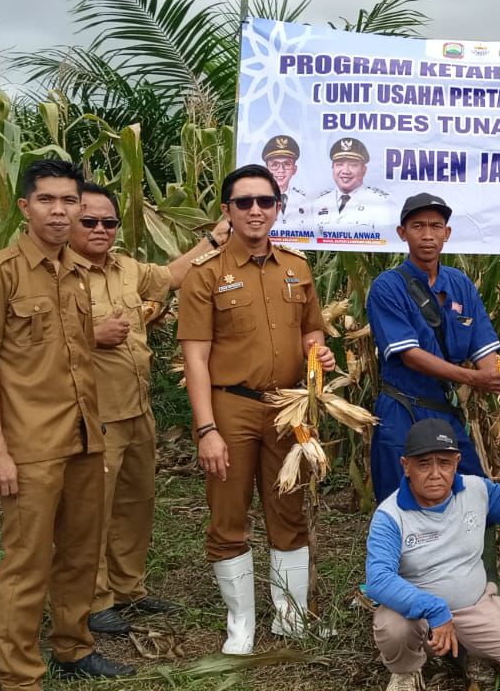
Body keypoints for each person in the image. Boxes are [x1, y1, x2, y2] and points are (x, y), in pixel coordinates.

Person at [0, 159, 135, 687]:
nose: (61, 212)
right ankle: (19, 675)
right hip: (31, 444)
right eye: (48, 201)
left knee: (83, 552)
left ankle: (74, 645)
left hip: (86, 435)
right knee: (27, 564)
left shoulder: (76, 274)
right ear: (25, 207)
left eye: (70, 202)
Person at [177, 164, 335, 654]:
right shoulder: (206, 275)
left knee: (287, 510)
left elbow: (311, 330)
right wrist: (206, 429)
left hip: (288, 408)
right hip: (232, 406)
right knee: (228, 515)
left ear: (277, 208)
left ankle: (289, 620)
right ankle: (240, 624)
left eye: (265, 202)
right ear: (227, 211)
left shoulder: (297, 267)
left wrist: (319, 353)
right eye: (243, 202)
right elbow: (195, 359)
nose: (255, 210)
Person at [70, 182, 228, 635]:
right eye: (90, 221)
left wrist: (214, 240)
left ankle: (128, 589)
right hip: (93, 414)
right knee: (93, 510)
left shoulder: (125, 269)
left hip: (137, 409)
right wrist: (90, 335)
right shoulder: (61, 273)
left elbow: (171, 275)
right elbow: (30, 342)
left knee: (135, 503)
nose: (100, 229)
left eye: (109, 222)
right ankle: (94, 600)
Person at [366, 419, 500, 691]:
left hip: (475, 606)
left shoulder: (477, 490)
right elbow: (378, 580)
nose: (435, 473)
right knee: (393, 627)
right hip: (418, 617)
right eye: (424, 464)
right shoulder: (390, 515)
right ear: (406, 466)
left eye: (444, 463)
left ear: (456, 462)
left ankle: (471, 649)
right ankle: (406, 670)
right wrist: (435, 609)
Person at [365, 192, 500, 503]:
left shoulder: (460, 284)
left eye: (436, 226)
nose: (428, 235)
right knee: (399, 501)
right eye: (417, 226)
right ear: (402, 233)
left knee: (471, 494)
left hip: (446, 412)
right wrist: (472, 379)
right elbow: (411, 356)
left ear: (447, 233)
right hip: (403, 406)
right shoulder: (388, 287)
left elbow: (485, 349)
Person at [311, 137, 392, 232]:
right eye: (339, 164)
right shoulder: (319, 203)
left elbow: (385, 243)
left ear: (364, 170)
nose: (345, 171)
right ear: (333, 168)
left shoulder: (380, 203)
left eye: (353, 165)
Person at [261, 134, 313, 234]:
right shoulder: (254, 201)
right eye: (274, 165)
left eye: (287, 164)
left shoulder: (305, 202)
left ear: (294, 169)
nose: (281, 170)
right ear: (267, 169)